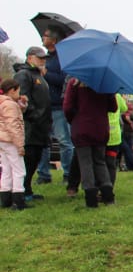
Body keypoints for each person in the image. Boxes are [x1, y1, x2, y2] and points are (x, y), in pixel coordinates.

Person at [62, 78, 119, 207]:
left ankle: (91, 197)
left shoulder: (75, 83)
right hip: (100, 127)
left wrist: (75, 119)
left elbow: (67, 107)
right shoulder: (105, 84)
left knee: (85, 162)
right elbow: (113, 107)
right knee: (100, 161)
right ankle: (108, 195)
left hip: (81, 126)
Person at [13, 45, 51, 203]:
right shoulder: (24, 74)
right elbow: (23, 98)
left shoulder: (39, 75)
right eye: (39, 57)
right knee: (28, 159)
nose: (43, 61)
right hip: (30, 125)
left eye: (44, 58)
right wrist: (35, 115)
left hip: (41, 125)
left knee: (35, 159)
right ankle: (21, 191)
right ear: (30, 58)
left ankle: (27, 188)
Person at [38, 28, 74, 190]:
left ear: (54, 40)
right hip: (43, 105)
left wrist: (45, 74)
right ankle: (43, 174)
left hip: (58, 106)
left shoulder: (63, 58)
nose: (42, 38)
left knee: (64, 141)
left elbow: (64, 81)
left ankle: (68, 173)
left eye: (45, 36)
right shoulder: (45, 58)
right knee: (42, 141)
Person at [0, 78, 26, 210]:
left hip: (2, 140)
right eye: (18, 91)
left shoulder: (3, 103)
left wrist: (22, 104)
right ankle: (18, 199)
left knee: (6, 169)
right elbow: (13, 125)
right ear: (12, 90)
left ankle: (5, 198)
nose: (19, 94)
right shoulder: (10, 105)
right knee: (19, 170)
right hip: (11, 141)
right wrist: (19, 145)